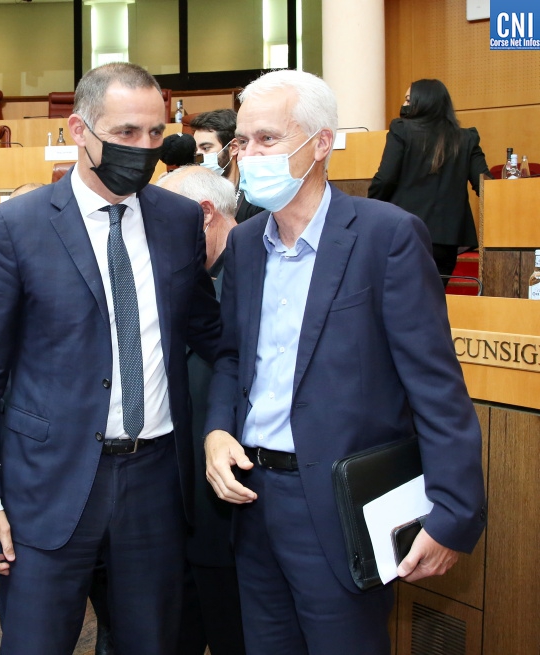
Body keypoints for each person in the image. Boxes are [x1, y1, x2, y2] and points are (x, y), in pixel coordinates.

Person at [203, 69, 487, 655]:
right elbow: (231, 356)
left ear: (321, 143)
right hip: (252, 503)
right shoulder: (246, 245)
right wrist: (216, 430)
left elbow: (435, 386)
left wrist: (454, 512)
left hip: (340, 504)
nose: (249, 155)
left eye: (268, 139)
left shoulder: (388, 237)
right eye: (242, 142)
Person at [0, 62, 221, 655]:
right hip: (46, 488)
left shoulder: (178, 220)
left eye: (155, 134)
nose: (145, 149)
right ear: (79, 129)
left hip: (155, 484)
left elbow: (211, 336)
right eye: (126, 134)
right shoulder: (18, 226)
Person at [156, 165, 244, 655]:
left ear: (205, 215)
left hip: (228, 516)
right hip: (172, 514)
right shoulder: (184, 279)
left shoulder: (254, 280)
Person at [368, 78, 491, 281]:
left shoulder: (401, 129)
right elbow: (486, 185)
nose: (404, 105)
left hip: (405, 231)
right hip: (448, 239)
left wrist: (371, 205)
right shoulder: (466, 138)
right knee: (435, 298)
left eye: (408, 100)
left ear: (423, 102)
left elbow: (385, 179)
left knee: (402, 297)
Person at [190, 109, 264, 222]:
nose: (199, 156)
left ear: (233, 148)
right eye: (196, 150)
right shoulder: (193, 195)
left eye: (206, 148)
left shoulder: (256, 197)